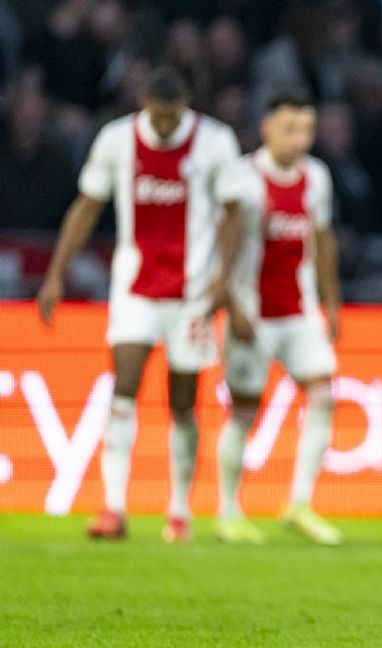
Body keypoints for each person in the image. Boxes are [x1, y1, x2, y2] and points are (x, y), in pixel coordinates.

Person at [36, 65, 244, 542]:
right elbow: (86, 205)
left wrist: (223, 279)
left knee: (183, 402)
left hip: (193, 295)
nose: (165, 126)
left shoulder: (215, 142)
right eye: (158, 116)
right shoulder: (116, 140)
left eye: (173, 116)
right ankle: (113, 508)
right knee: (124, 388)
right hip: (135, 290)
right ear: (144, 105)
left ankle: (179, 509)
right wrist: (55, 274)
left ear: (186, 105)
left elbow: (234, 214)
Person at [213, 90, 345, 546]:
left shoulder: (317, 176)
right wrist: (232, 305)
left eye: (307, 129)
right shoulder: (242, 179)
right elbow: (223, 247)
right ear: (266, 129)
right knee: (244, 412)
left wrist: (331, 302)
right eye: (290, 129)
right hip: (253, 314)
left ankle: (299, 504)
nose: (299, 139)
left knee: (324, 395)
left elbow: (322, 239)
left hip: (298, 312)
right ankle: (228, 511)